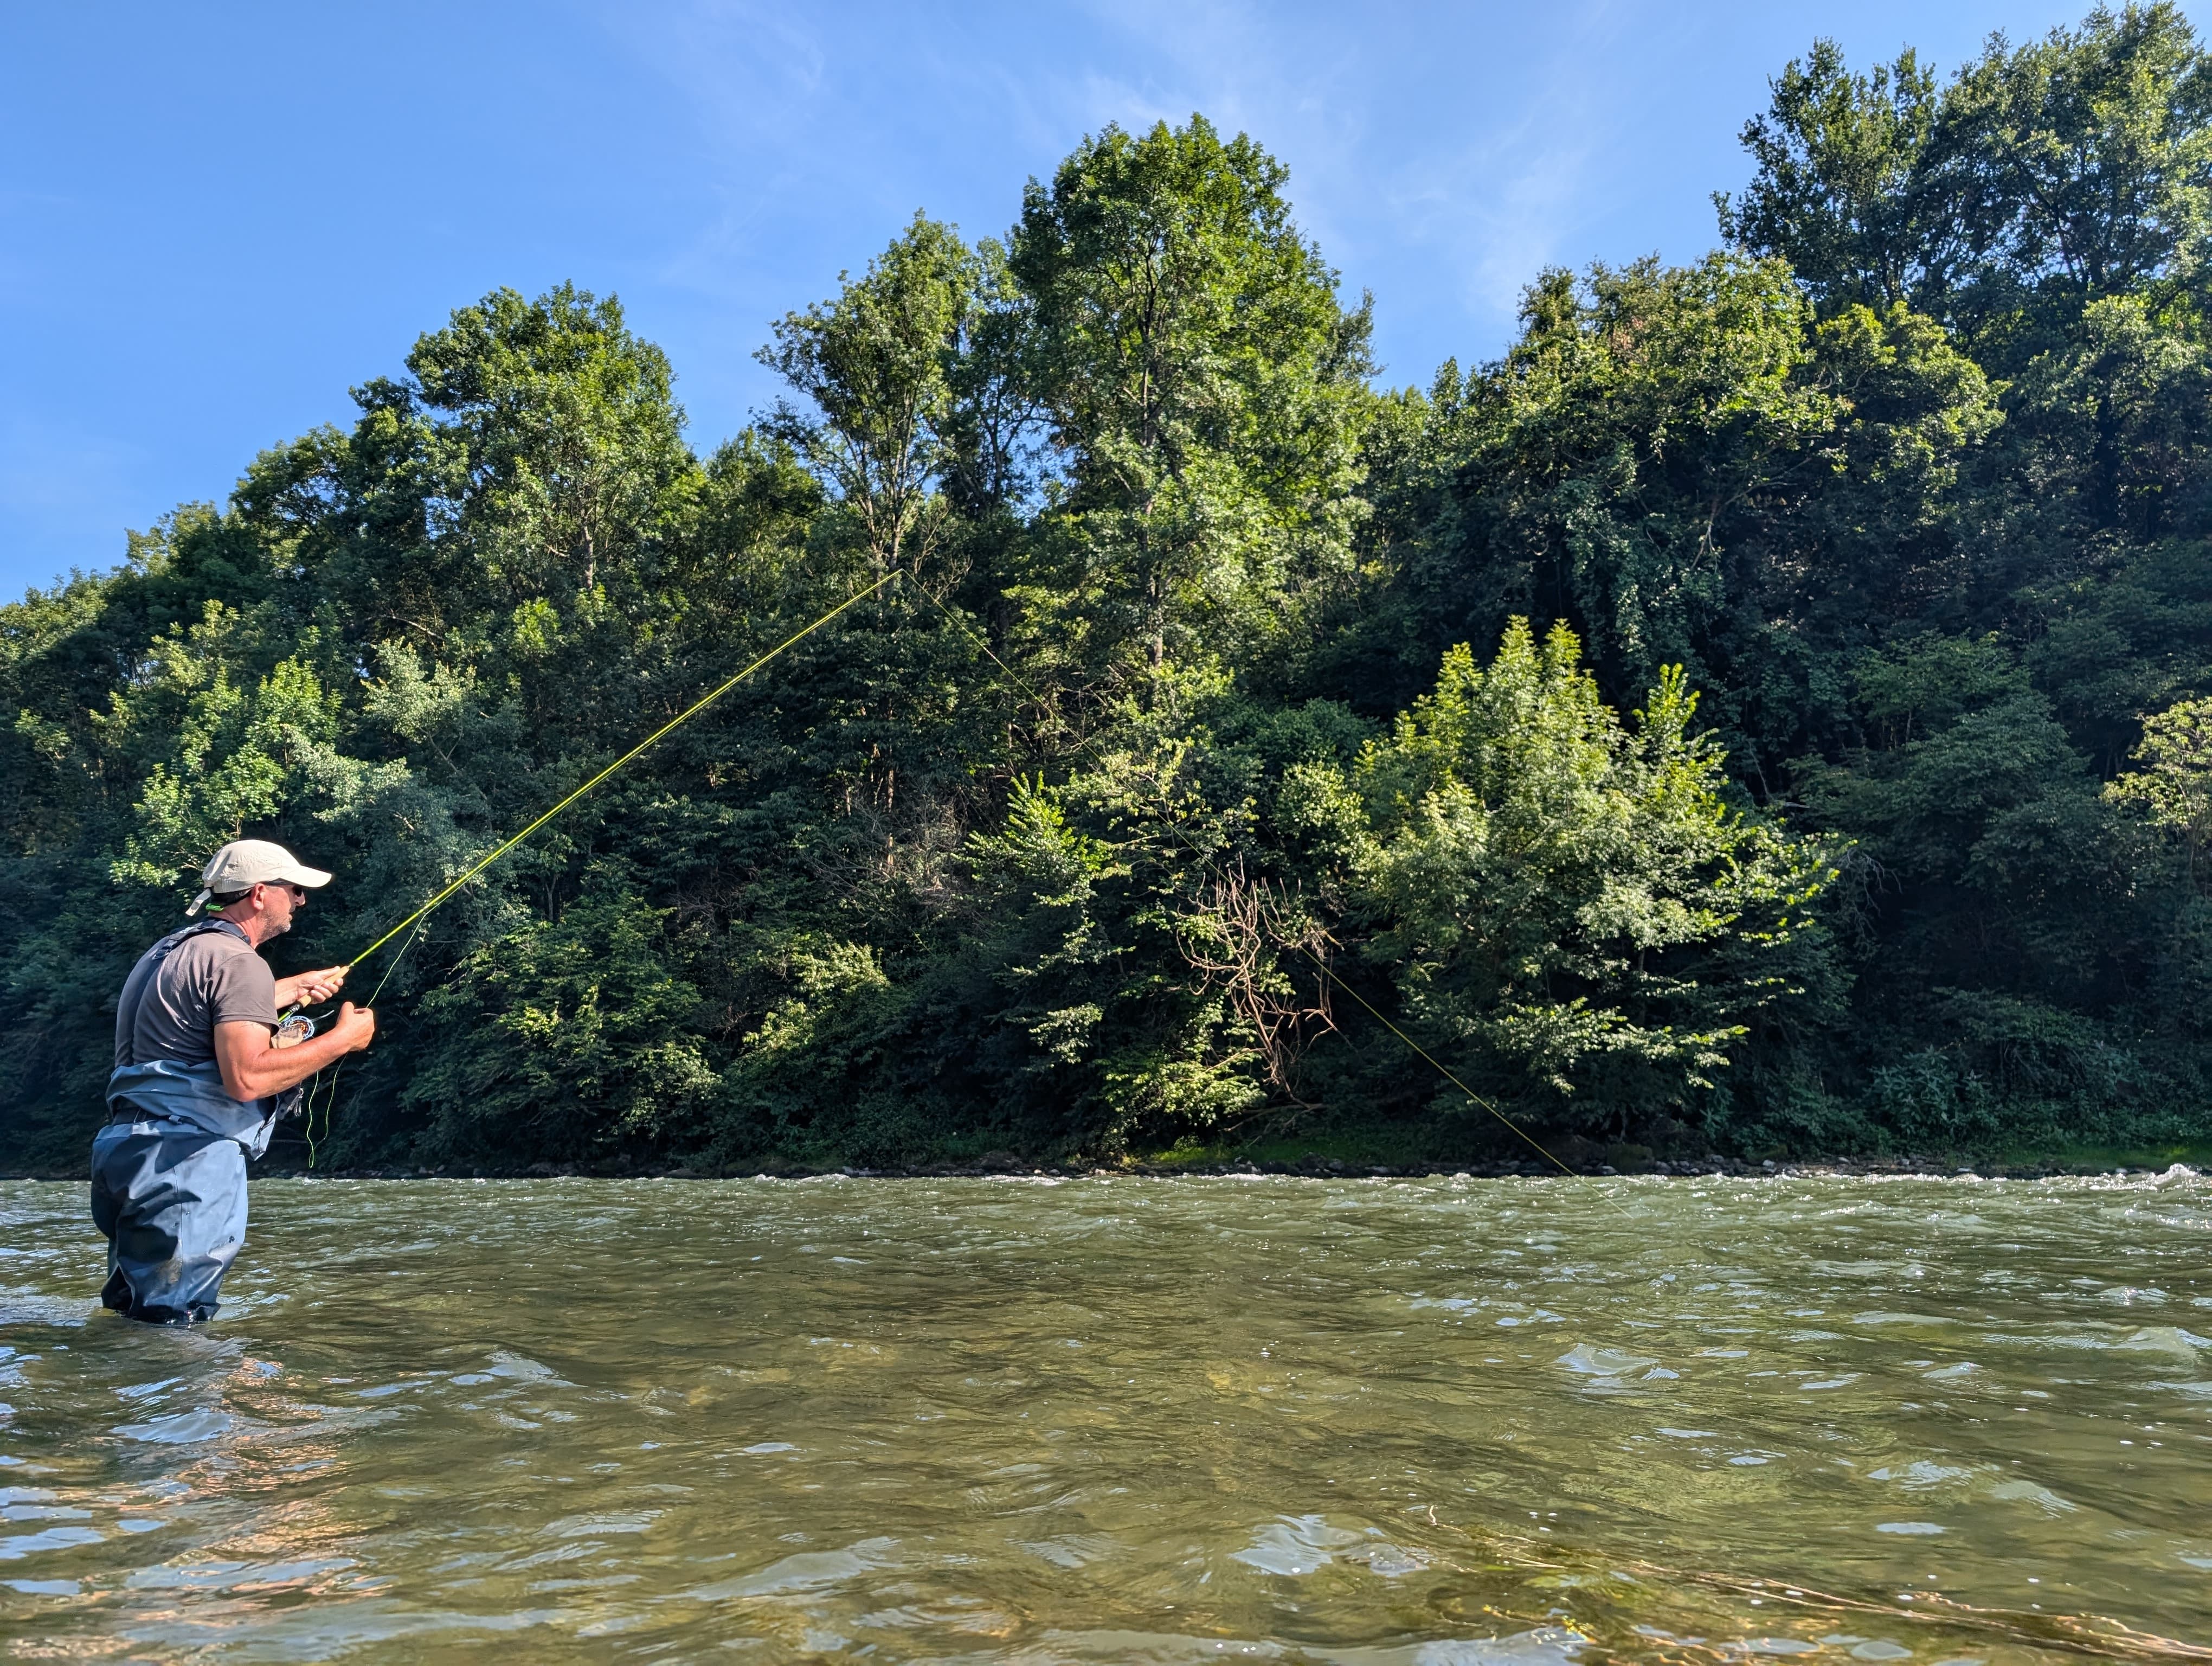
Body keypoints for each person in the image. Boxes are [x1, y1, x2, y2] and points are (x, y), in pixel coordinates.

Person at [92, 839, 376, 1324]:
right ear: (261, 893)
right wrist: (342, 1041)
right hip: (184, 1159)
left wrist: (289, 988)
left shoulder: (166, 953)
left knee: (135, 1317)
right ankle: (197, 1402)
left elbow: (199, 1011)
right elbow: (246, 1078)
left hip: (124, 1152)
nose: (301, 900)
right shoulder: (241, 964)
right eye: (294, 889)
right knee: (176, 1327)